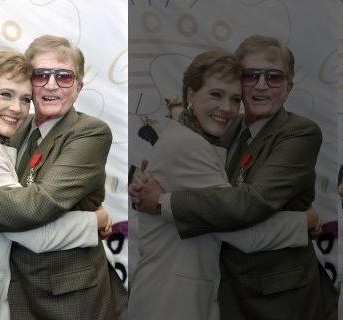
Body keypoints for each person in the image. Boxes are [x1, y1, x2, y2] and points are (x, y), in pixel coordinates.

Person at [0, 35, 127, 319]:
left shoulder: (90, 132)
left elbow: (36, 206)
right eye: (42, 75)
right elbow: (7, 203)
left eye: (64, 77)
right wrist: (96, 221)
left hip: (67, 296)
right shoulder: (12, 125)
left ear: (78, 88)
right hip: (12, 290)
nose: (52, 84)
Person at [131, 35, 338, 319]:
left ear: (288, 87)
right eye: (251, 76)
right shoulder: (223, 127)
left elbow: (249, 204)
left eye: (274, 77)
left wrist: (162, 202)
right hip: (214, 290)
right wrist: (306, 221)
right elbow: (227, 214)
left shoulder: (299, 132)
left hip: (278, 297)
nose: (262, 85)